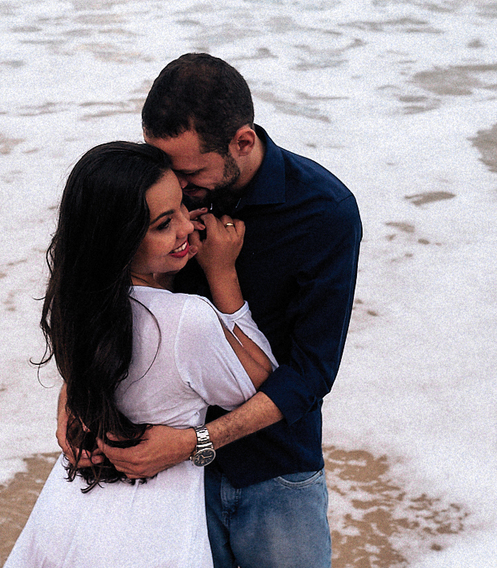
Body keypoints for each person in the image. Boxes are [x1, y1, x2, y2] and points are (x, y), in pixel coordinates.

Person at [96, 53, 363, 568]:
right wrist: (75, 404)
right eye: (164, 165)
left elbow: (310, 375)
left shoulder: (323, 213)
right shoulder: (159, 190)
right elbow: (110, 303)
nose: (174, 181)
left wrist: (193, 443)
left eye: (190, 171)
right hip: (163, 471)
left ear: (242, 141)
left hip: (274, 469)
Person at [5, 142, 276, 568]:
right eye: (164, 225)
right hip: (148, 534)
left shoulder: (76, 304)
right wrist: (222, 274)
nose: (188, 227)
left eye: (183, 208)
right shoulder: (189, 318)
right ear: (121, 241)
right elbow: (259, 377)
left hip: (68, 509)